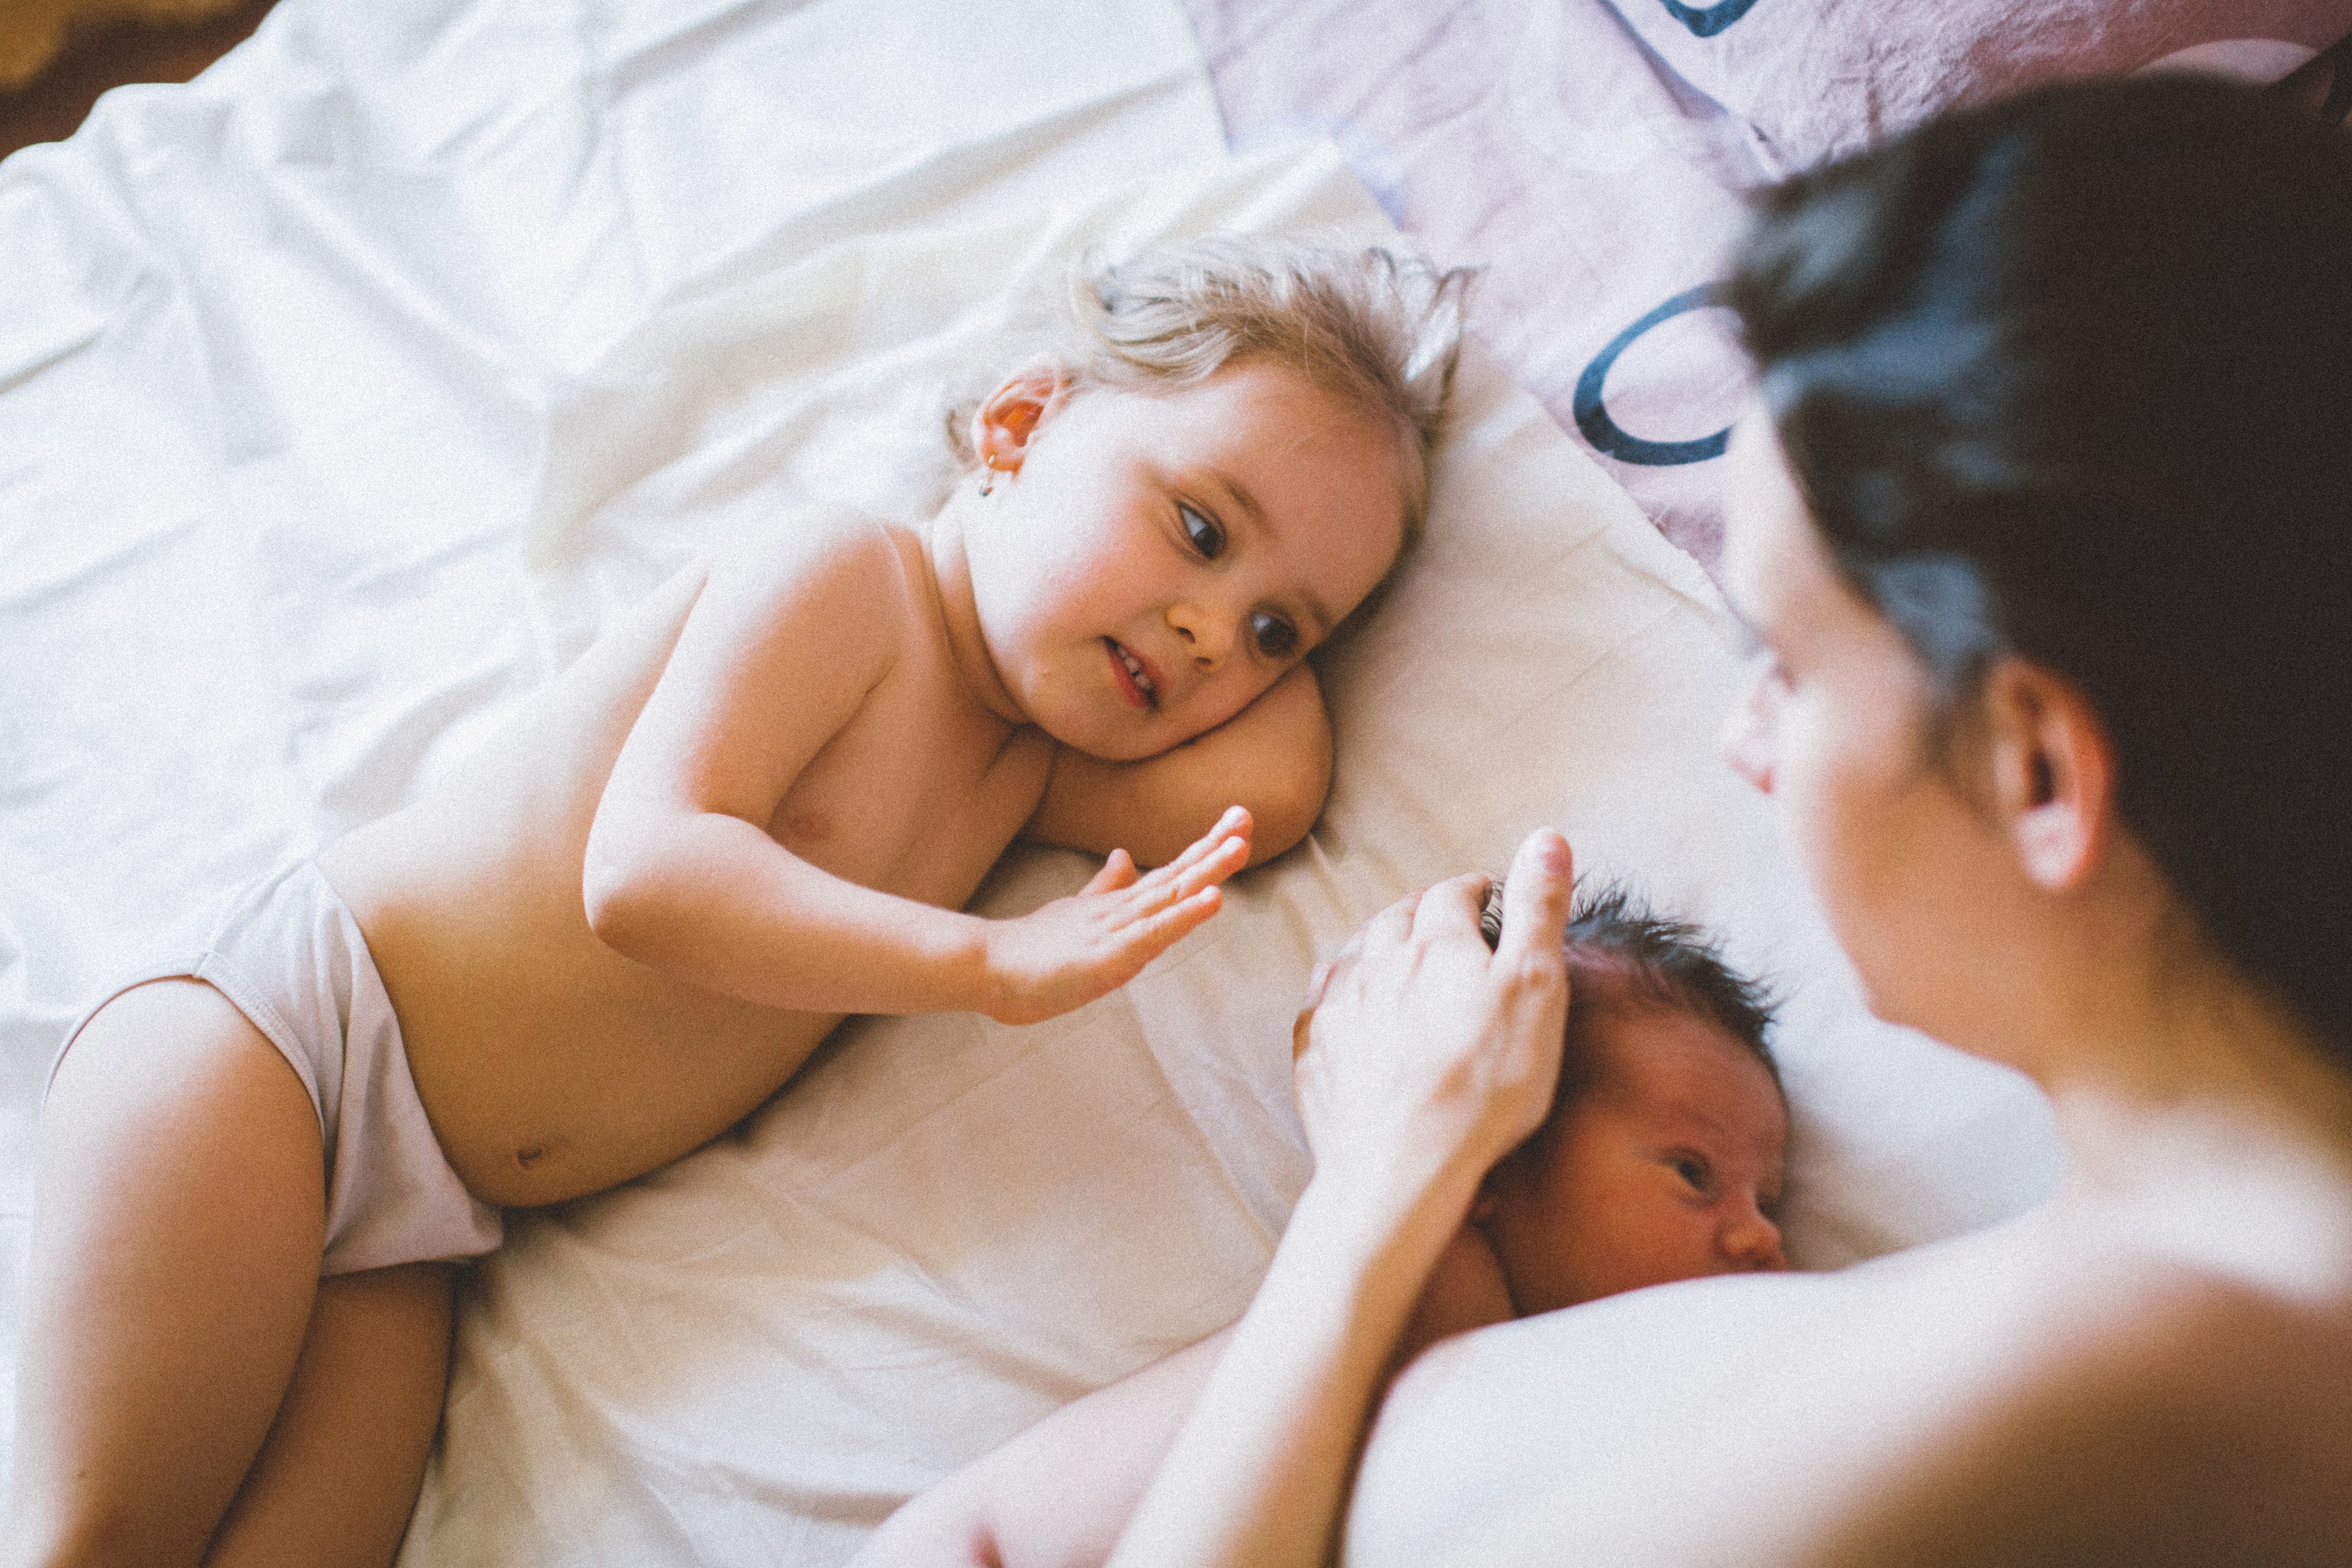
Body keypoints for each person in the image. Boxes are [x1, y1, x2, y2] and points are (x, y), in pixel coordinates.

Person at [1, 237, 1467, 1568]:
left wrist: (1276, 598)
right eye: (1201, 531)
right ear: (1020, 427)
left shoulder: (1028, 774)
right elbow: (645, 870)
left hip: (423, 1231)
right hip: (283, 1050)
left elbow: (1272, 791)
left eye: (1283, 628)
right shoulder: (847, 581)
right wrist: (981, 961)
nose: (1216, 631)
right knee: (103, 1536)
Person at [1080, 74, 2352, 1568]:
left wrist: (1376, 1184)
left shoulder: (2136, 1364)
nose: (1744, 744)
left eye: (1789, 668)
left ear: (2039, 775)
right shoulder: (2187, 1257)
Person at [852, 886, 1792, 1568]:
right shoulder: (1439, 1284)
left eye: (1769, 1202)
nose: (1760, 1241)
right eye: (1693, 1173)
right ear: (1498, 1152)